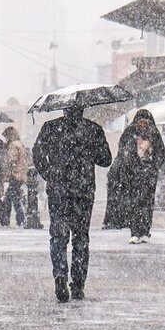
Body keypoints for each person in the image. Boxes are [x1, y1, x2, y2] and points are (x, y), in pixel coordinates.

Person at [32, 105, 112, 303]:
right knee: (81, 238)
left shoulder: (50, 128)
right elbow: (106, 159)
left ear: (63, 109)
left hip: (59, 190)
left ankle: (60, 274)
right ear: (83, 109)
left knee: (58, 235)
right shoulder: (93, 129)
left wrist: (50, 174)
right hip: (83, 191)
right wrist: (87, 151)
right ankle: (77, 284)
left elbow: (37, 154)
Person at [103, 109, 165, 242]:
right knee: (136, 204)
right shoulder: (131, 133)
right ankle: (136, 231)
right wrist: (133, 168)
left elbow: (160, 154)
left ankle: (144, 231)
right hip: (134, 175)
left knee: (146, 204)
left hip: (146, 175)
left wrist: (153, 167)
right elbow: (124, 153)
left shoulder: (153, 134)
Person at [0, 126, 29, 227]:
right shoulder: (20, 144)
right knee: (13, 197)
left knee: (12, 198)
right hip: (21, 175)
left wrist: (6, 151)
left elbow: (11, 160)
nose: (6, 139)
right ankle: (17, 219)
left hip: (15, 175)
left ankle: (15, 219)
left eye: (6, 137)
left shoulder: (13, 145)